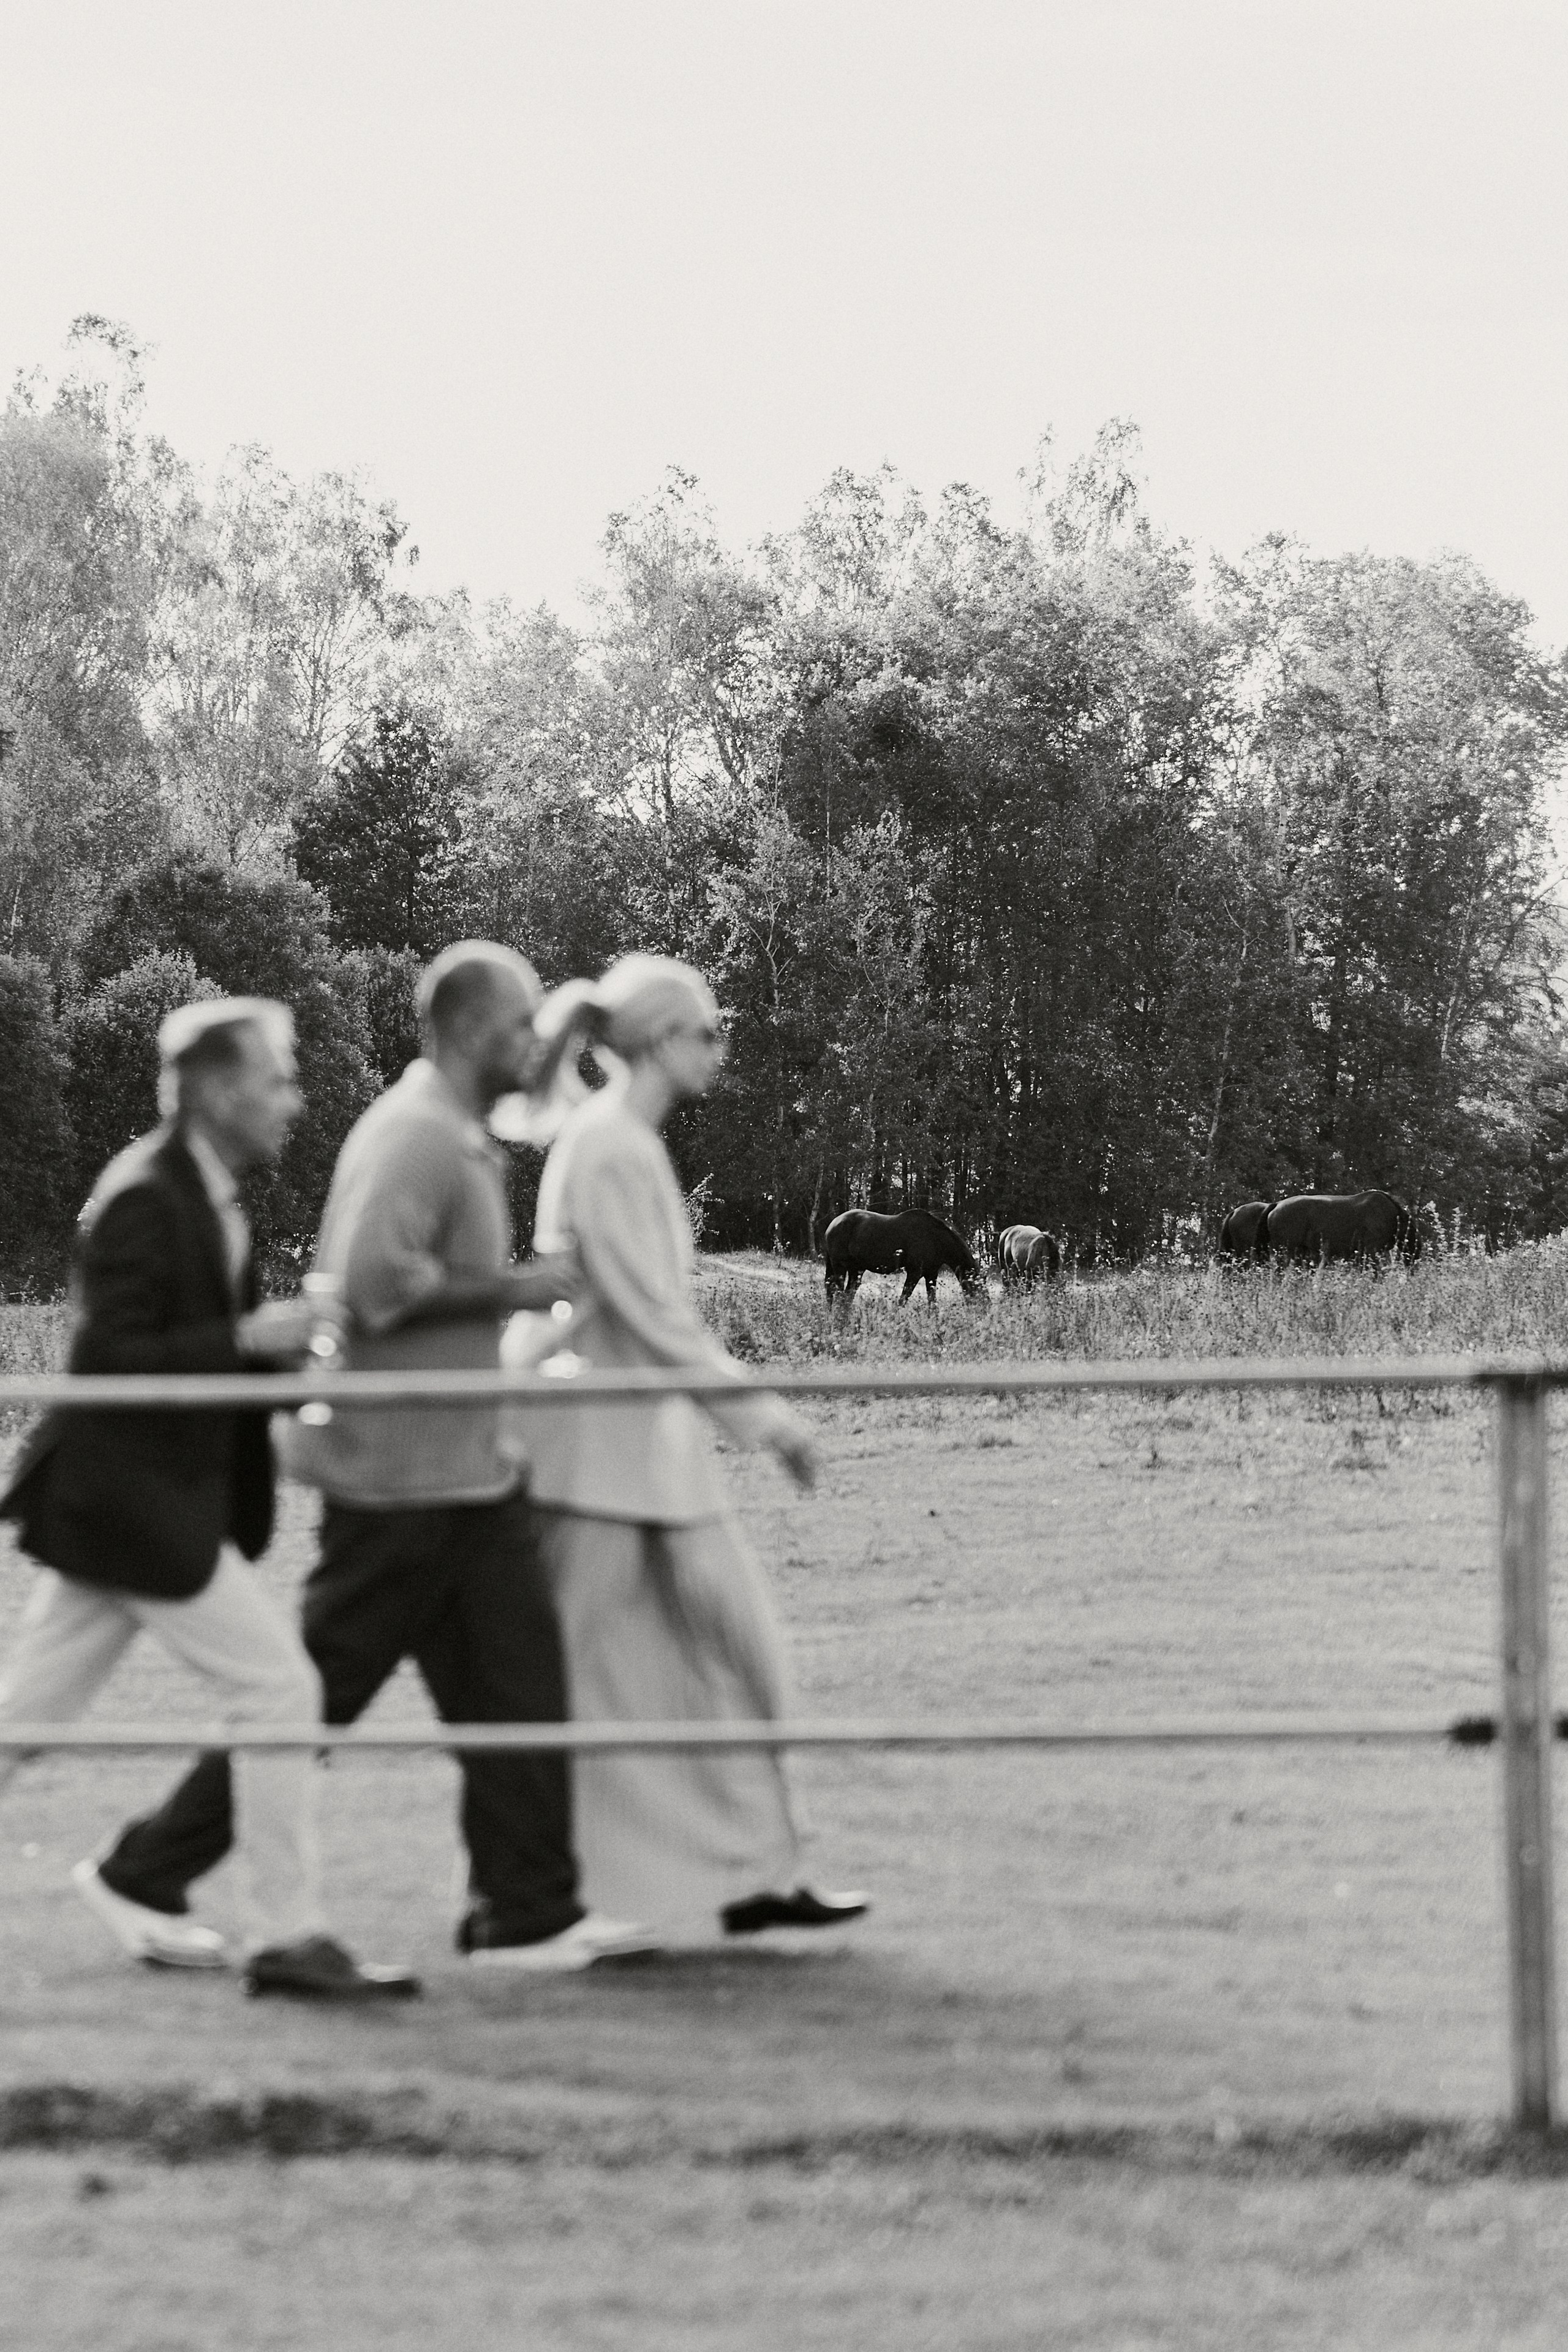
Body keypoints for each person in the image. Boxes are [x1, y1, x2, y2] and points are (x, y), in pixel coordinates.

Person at [87, 944, 655, 1971]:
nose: (533, 1045)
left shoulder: (460, 1133)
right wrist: (518, 1290)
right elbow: (370, 1282)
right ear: (477, 1029)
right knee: (317, 1698)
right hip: (394, 1479)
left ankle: (523, 1916)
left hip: (468, 1474)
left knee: (517, 1688)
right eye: (522, 1025)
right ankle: (142, 1871)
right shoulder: (417, 1138)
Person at [0, 998, 417, 1999]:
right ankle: (289, 1936)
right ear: (224, 1090)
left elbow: (211, 1362)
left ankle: (283, 1932)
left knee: (21, 1722)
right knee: (281, 1690)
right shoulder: (150, 1194)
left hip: (121, 1510)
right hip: (128, 1509)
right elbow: (108, 1365)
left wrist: (290, 1359)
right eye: (279, 1080)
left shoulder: (204, 1189)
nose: (295, 1100)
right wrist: (251, 1341)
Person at [502, 953, 868, 1940]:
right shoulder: (609, 1146)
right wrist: (769, 1421)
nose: (720, 1048)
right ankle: (532, 1900)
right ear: (661, 1040)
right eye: (708, 1031)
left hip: (653, 1458)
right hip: (599, 1463)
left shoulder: (624, 1143)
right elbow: (652, 1318)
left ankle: (755, 1873)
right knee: (584, 1687)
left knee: (740, 1664)